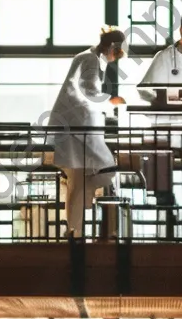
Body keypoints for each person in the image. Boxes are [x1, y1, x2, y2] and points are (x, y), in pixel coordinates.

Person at [48, 27, 126, 238]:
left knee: (79, 181)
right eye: (116, 54)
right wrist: (111, 102)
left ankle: (74, 230)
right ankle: (74, 231)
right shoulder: (91, 60)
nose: (114, 59)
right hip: (77, 128)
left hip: (77, 127)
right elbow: (89, 93)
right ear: (112, 48)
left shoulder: (88, 57)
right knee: (92, 174)